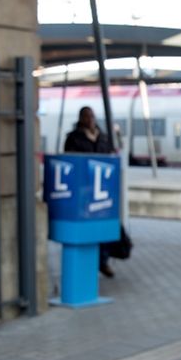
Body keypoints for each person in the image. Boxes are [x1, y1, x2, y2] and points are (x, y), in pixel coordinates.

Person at [64, 106, 117, 278]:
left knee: (103, 225)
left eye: (92, 116)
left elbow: (110, 157)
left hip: (102, 190)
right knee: (87, 226)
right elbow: (70, 160)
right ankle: (87, 264)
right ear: (80, 118)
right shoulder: (73, 138)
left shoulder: (103, 137)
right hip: (84, 190)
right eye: (86, 117)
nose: (90, 120)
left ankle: (103, 260)